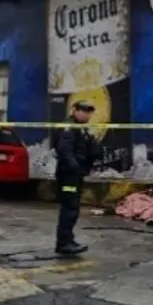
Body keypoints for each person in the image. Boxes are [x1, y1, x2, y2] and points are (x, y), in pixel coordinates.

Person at [54, 100, 103, 255]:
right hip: (69, 175)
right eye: (83, 111)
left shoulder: (82, 129)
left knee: (72, 208)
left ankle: (68, 240)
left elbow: (90, 148)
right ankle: (64, 244)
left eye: (88, 112)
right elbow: (65, 151)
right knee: (69, 208)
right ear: (74, 110)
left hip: (76, 173)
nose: (86, 114)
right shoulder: (69, 127)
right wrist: (74, 168)